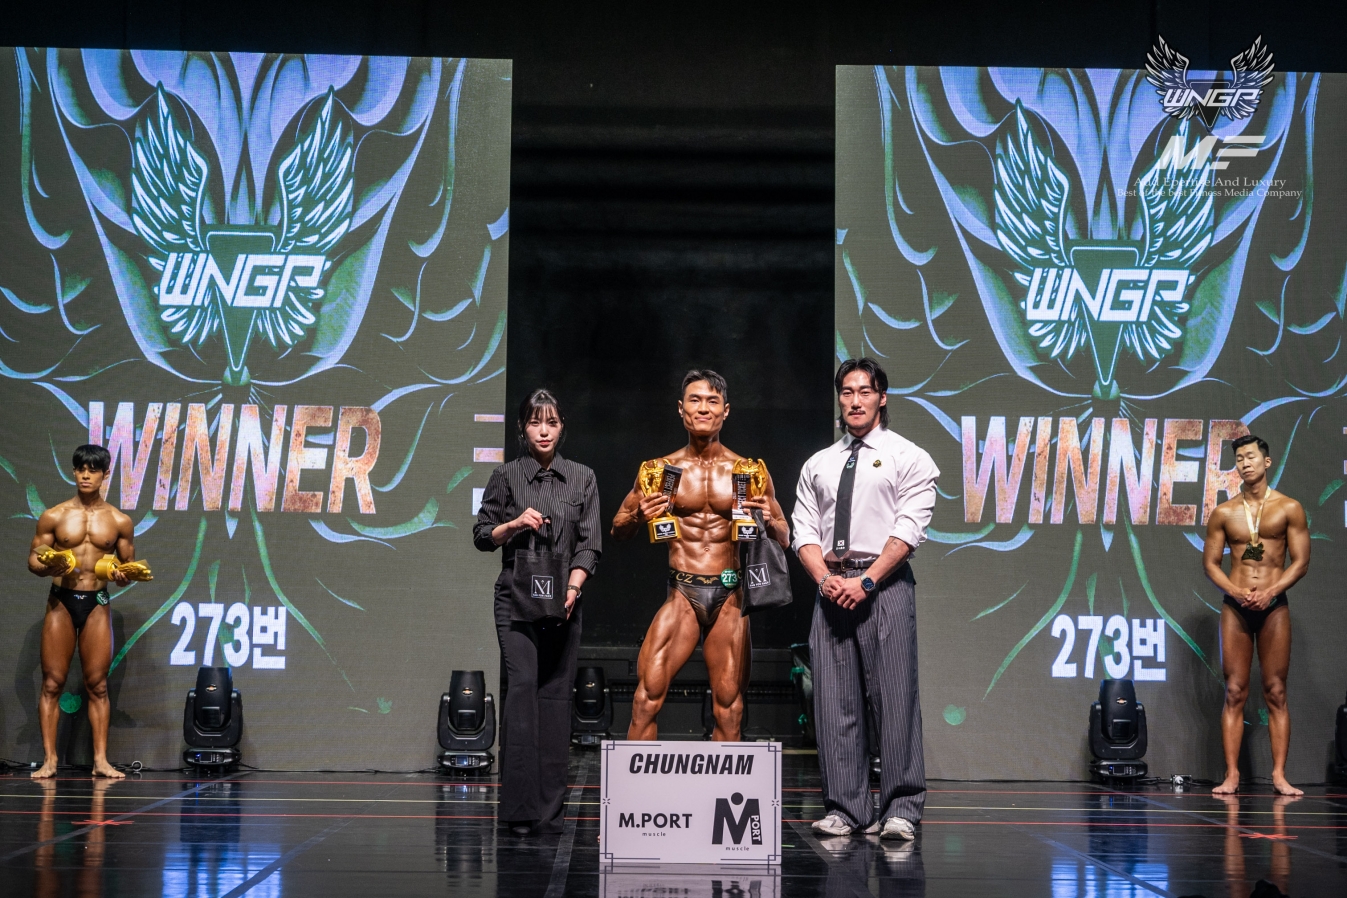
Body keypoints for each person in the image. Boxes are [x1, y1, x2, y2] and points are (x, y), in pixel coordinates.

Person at [792, 358, 939, 841]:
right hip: (832, 588)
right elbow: (803, 529)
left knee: (894, 699)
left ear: (882, 397)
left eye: (865, 391)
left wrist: (868, 582)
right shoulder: (819, 463)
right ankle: (847, 809)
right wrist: (824, 579)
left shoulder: (907, 456)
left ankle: (901, 809)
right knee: (835, 704)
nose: (855, 401)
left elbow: (910, 528)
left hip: (884, 587)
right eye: (847, 392)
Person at [612, 369, 789, 741]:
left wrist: (768, 520)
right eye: (695, 400)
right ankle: (636, 781)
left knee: (730, 707)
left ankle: (724, 781)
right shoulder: (660, 471)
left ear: (726, 410)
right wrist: (638, 515)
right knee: (645, 699)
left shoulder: (748, 471)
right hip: (683, 592)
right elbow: (618, 529)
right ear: (681, 409)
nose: (704, 408)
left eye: (712, 401)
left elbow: (785, 537)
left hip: (729, 596)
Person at [474, 389, 601, 835]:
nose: (543, 431)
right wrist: (513, 524)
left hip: (564, 600)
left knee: (555, 698)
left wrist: (574, 586)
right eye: (534, 422)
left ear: (562, 426)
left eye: (551, 422)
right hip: (516, 600)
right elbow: (481, 534)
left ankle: (549, 811)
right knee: (523, 691)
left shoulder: (582, 478)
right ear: (522, 428)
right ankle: (520, 810)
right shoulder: (506, 475)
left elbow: (590, 545)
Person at [1202, 433, 1309, 796]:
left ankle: (1279, 775)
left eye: (1250, 457)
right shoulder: (1224, 513)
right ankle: (1232, 774)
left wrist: (1270, 592)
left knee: (1275, 691)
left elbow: (1301, 562)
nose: (1245, 463)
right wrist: (1235, 592)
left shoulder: (1289, 508)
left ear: (1267, 461)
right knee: (1234, 691)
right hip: (1236, 607)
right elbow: (1211, 564)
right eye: (1239, 459)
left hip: (1273, 606)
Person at [27, 445, 135, 779]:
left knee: (97, 685)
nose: (86, 475)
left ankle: (100, 761)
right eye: (80, 469)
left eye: (93, 470)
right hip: (61, 601)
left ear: (105, 475)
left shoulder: (119, 521)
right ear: (74, 472)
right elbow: (33, 560)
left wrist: (121, 575)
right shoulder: (54, 516)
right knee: (52, 683)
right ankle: (50, 760)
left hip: (96, 603)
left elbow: (128, 566)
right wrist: (49, 567)